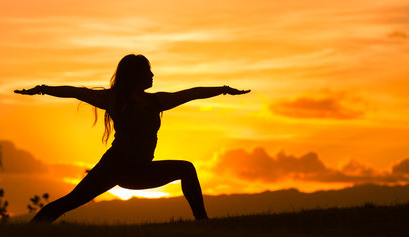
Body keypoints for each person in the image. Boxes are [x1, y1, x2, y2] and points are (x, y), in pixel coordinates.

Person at [14, 54, 250, 222]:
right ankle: (32, 231)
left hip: (141, 170)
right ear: (136, 75)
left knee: (186, 169)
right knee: (70, 202)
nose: (153, 75)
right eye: (148, 71)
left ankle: (203, 223)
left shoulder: (156, 101)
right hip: (114, 166)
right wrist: (42, 89)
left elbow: (191, 94)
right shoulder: (115, 99)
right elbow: (77, 92)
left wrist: (223, 89)